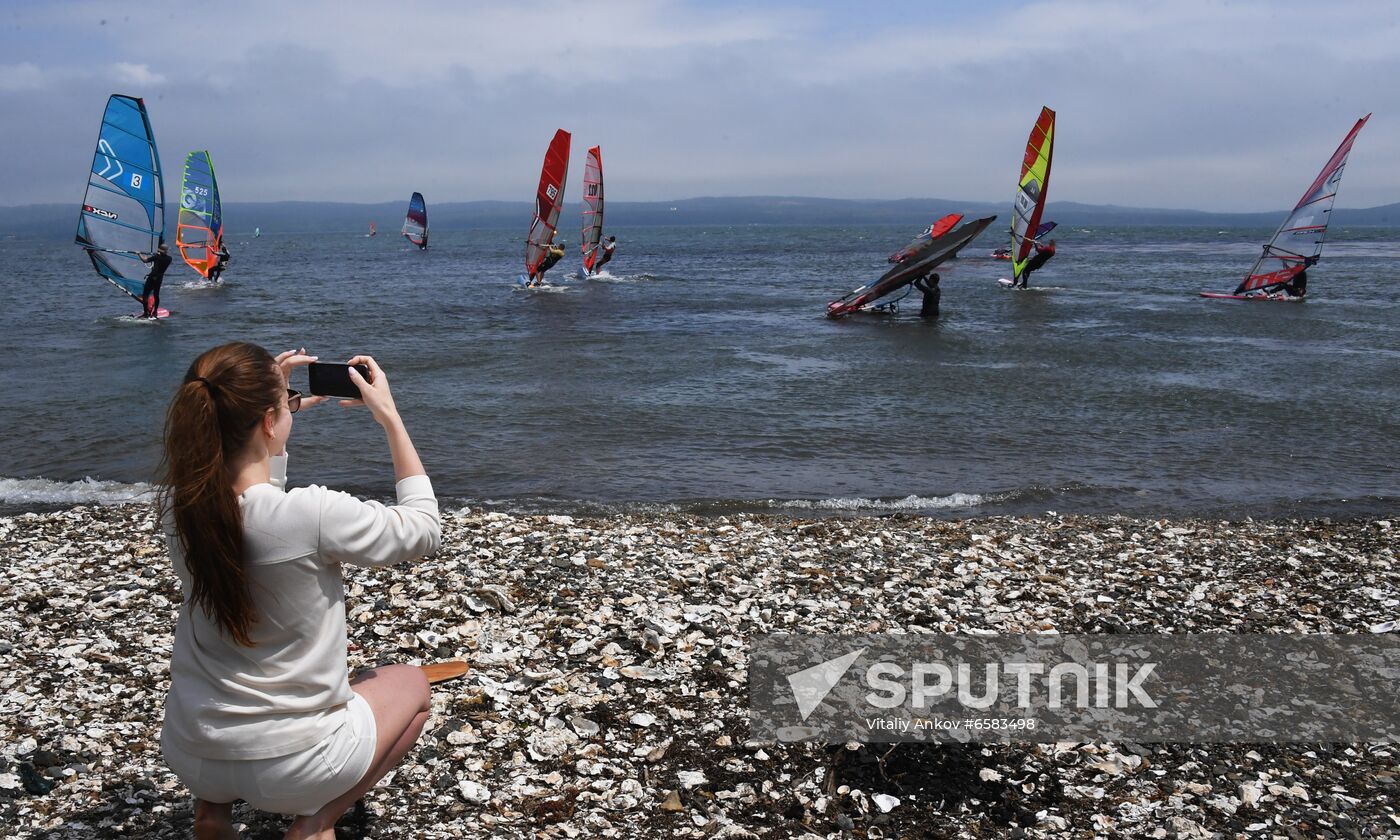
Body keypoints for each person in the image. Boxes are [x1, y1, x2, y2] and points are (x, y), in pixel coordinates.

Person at [157, 342, 441, 840]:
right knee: (414, 687)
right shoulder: (309, 514)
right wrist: (391, 418)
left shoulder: (182, 511)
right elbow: (422, 530)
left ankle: (214, 812)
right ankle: (315, 823)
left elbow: (258, 509)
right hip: (295, 768)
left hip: (193, 752)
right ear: (268, 421)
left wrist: (275, 425)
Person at [139, 243, 174, 317]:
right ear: (166, 251)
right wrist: (158, 254)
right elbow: (161, 258)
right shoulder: (169, 259)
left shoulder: (156, 257)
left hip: (152, 278)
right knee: (156, 295)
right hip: (159, 279)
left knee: (145, 295)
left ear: (159, 251)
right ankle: (155, 312)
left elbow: (145, 260)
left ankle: (146, 313)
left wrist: (139, 254)